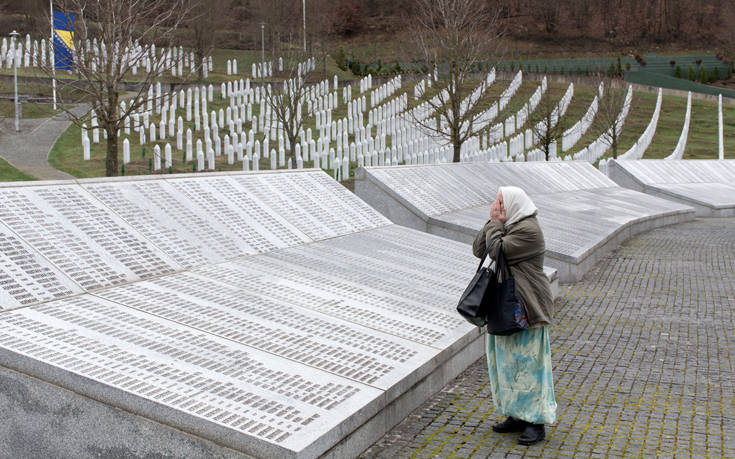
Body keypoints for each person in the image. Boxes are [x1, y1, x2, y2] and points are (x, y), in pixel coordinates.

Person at [472, 186, 556, 446]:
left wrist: (496, 225)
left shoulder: (529, 230)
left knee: (529, 366)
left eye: (501, 202)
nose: (497, 206)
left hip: (527, 307)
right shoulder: (507, 225)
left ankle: (535, 422)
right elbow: (478, 249)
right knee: (507, 365)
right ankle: (517, 414)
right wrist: (492, 222)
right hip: (505, 306)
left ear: (513, 204)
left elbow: (496, 251)